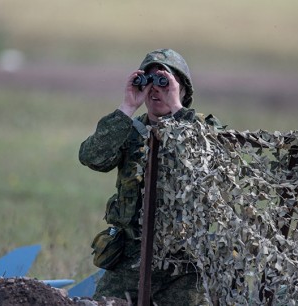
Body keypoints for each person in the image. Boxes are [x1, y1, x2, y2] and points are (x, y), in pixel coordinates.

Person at [79, 49, 222, 305]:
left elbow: (215, 160)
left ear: (183, 90)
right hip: (131, 256)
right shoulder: (129, 130)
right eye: (150, 81)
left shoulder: (203, 129)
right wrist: (128, 106)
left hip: (183, 263)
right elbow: (92, 157)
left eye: (164, 82)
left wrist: (177, 108)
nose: (156, 89)